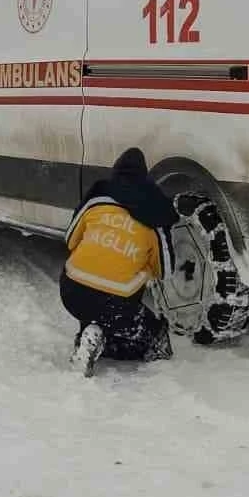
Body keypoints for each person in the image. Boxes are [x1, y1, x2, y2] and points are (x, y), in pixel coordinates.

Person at [61, 147, 177, 376]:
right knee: (153, 337)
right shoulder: (155, 213)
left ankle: (91, 333)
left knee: (92, 294)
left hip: (71, 292)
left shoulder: (96, 198)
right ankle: (106, 339)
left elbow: (70, 240)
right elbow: (166, 271)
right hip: (118, 304)